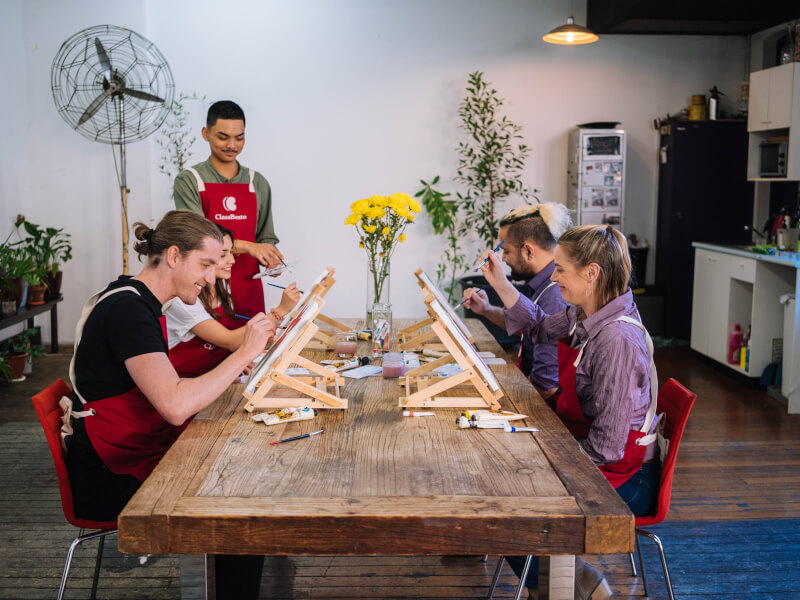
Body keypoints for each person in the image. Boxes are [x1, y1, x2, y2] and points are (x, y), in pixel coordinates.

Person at [63, 210, 274, 600]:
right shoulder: (128, 310)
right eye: (206, 264)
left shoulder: (139, 300)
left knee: (238, 476)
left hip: (133, 446)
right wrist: (244, 353)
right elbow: (175, 406)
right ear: (174, 256)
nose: (212, 277)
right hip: (110, 472)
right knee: (238, 508)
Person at [479, 224, 660, 600]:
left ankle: (561, 586)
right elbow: (540, 328)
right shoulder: (586, 313)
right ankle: (568, 582)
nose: (554, 276)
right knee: (503, 483)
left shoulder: (616, 340)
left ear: (591, 273)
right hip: (597, 455)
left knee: (510, 501)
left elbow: (608, 446)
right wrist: (500, 282)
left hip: (625, 478)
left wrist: (542, 467)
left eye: (561, 269)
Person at [174, 100, 281, 317]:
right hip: (206, 290)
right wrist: (251, 247)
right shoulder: (190, 181)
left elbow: (266, 237)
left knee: (254, 345)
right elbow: (197, 239)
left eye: (239, 138)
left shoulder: (256, 182)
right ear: (206, 133)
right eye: (223, 137)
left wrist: (270, 257)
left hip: (249, 288)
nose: (232, 145)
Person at [462, 203, 571, 400]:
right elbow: (528, 325)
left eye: (506, 251)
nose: (503, 259)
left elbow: (546, 386)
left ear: (528, 250)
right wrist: (486, 309)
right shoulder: (541, 284)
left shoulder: (554, 296)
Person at [166, 224, 300, 378]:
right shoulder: (184, 301)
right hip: (186, 384)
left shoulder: (222, 287)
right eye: (223, 255)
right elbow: (230, 341)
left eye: (231, 253)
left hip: (211, 378)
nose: (232, 261)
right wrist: (281, 310)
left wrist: (229, 367)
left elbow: (230, 345)